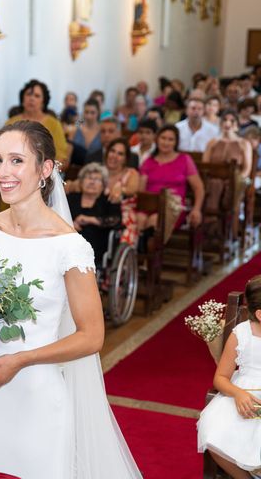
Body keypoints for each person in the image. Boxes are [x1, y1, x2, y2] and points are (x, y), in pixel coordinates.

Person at [0, 120, 141, 478]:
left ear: (45, 170)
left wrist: (22, 359)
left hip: (36, 388)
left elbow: (92, 336)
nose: (3, 172)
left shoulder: (69, 246)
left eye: (16, 160)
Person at [197, 275, 261, 478]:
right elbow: (221, 377)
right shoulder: (241, 334)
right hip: (244, 392)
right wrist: (238, 394)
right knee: (216, 432)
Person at [138, 125, 205, 231]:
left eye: (170, 139)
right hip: (150, 205)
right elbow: (140, 190)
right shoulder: (149, 161)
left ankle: (148, 246)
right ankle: (137, 247)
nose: (166, 142)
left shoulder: (184, 160)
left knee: (155, 220)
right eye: (163, 138)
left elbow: (199, 188)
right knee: (140, 219)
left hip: (173, 208)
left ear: (175, 142)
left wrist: (196, 209)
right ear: (157, 139)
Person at [67, 163, 122, 266]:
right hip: (68, 244)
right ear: (81, 182)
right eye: (88, 178)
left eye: (97, 179)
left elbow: (115, 220)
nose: (92, 182)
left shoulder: (109, 201)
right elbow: (57, 216)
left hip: (95, 247)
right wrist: (70, 225)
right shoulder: (71, 198)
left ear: (103, 185)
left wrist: (90, 220)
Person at [6, 79, 68, 165]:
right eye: (28, 94)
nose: (32, 98)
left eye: (37, 96)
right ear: (22, 99)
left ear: (43, 102)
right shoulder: (11, 123)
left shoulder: (54, 124)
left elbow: (61, 158)